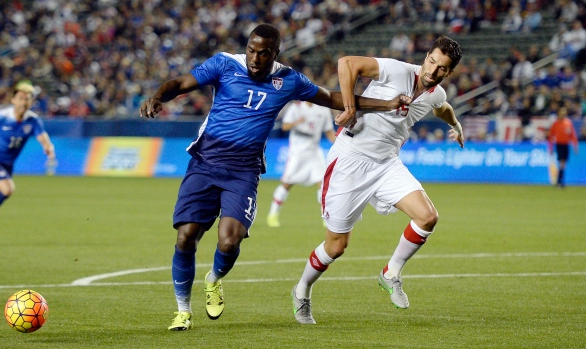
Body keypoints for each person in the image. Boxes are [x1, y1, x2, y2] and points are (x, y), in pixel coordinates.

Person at [139, 23, 411, 332]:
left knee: (229, 242)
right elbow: (181, 82)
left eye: (263, 53)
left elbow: (333, 98)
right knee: (186, 236)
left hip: (243, 170)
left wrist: (387, 104)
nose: (255, 59)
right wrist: (158, 96)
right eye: (251, 51)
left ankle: (213, 280)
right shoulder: (224, 64)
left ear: (275, 53)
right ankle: (183, 311)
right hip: (205, 162)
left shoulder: (288, 80)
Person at [291, 36, 465, 325]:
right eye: (431, 61)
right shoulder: (396, 70)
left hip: (386, 165)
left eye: (441, 68)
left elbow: (442, 107)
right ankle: (302, 290)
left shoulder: (435, 93)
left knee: (427, 216)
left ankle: (391, 273)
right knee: (336, 247)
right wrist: (349, 106)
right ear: (426, 56)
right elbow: (347, 63)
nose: (432, 71)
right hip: (350, 160)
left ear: (449, 72)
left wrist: (456, 126)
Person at [0, 82, 55, 237]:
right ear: (13, 100)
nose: (23, 102)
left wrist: (48, 148)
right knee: (7, 189)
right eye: (20, 98)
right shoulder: (1, 116)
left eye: (27, 99)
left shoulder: (32, 120)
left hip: (7, 166)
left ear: (31, 102)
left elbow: (42, 137)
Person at [266, 101, 336, 228]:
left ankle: (326, 218)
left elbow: (329, 130)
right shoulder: (296, 108)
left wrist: (338, 145)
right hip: (297, 153)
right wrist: (296, 122)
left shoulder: (323, 110)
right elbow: (284, 126)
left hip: (314, 152)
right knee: (287, 184)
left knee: (323, 185)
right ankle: (273, 214)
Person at [548, 106, 579, 188]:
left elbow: (572, 135)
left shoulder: (568, 123)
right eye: (561, 112)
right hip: (559, 144)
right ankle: (560, 181)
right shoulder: (556, 123)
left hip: (566, 145)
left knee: (563, 163)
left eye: (564, 112)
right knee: (562, 163)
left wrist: (575, 145)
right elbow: (551, 136)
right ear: (559, 114)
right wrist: (550, 147)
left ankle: (560, 181)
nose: (563, 114)